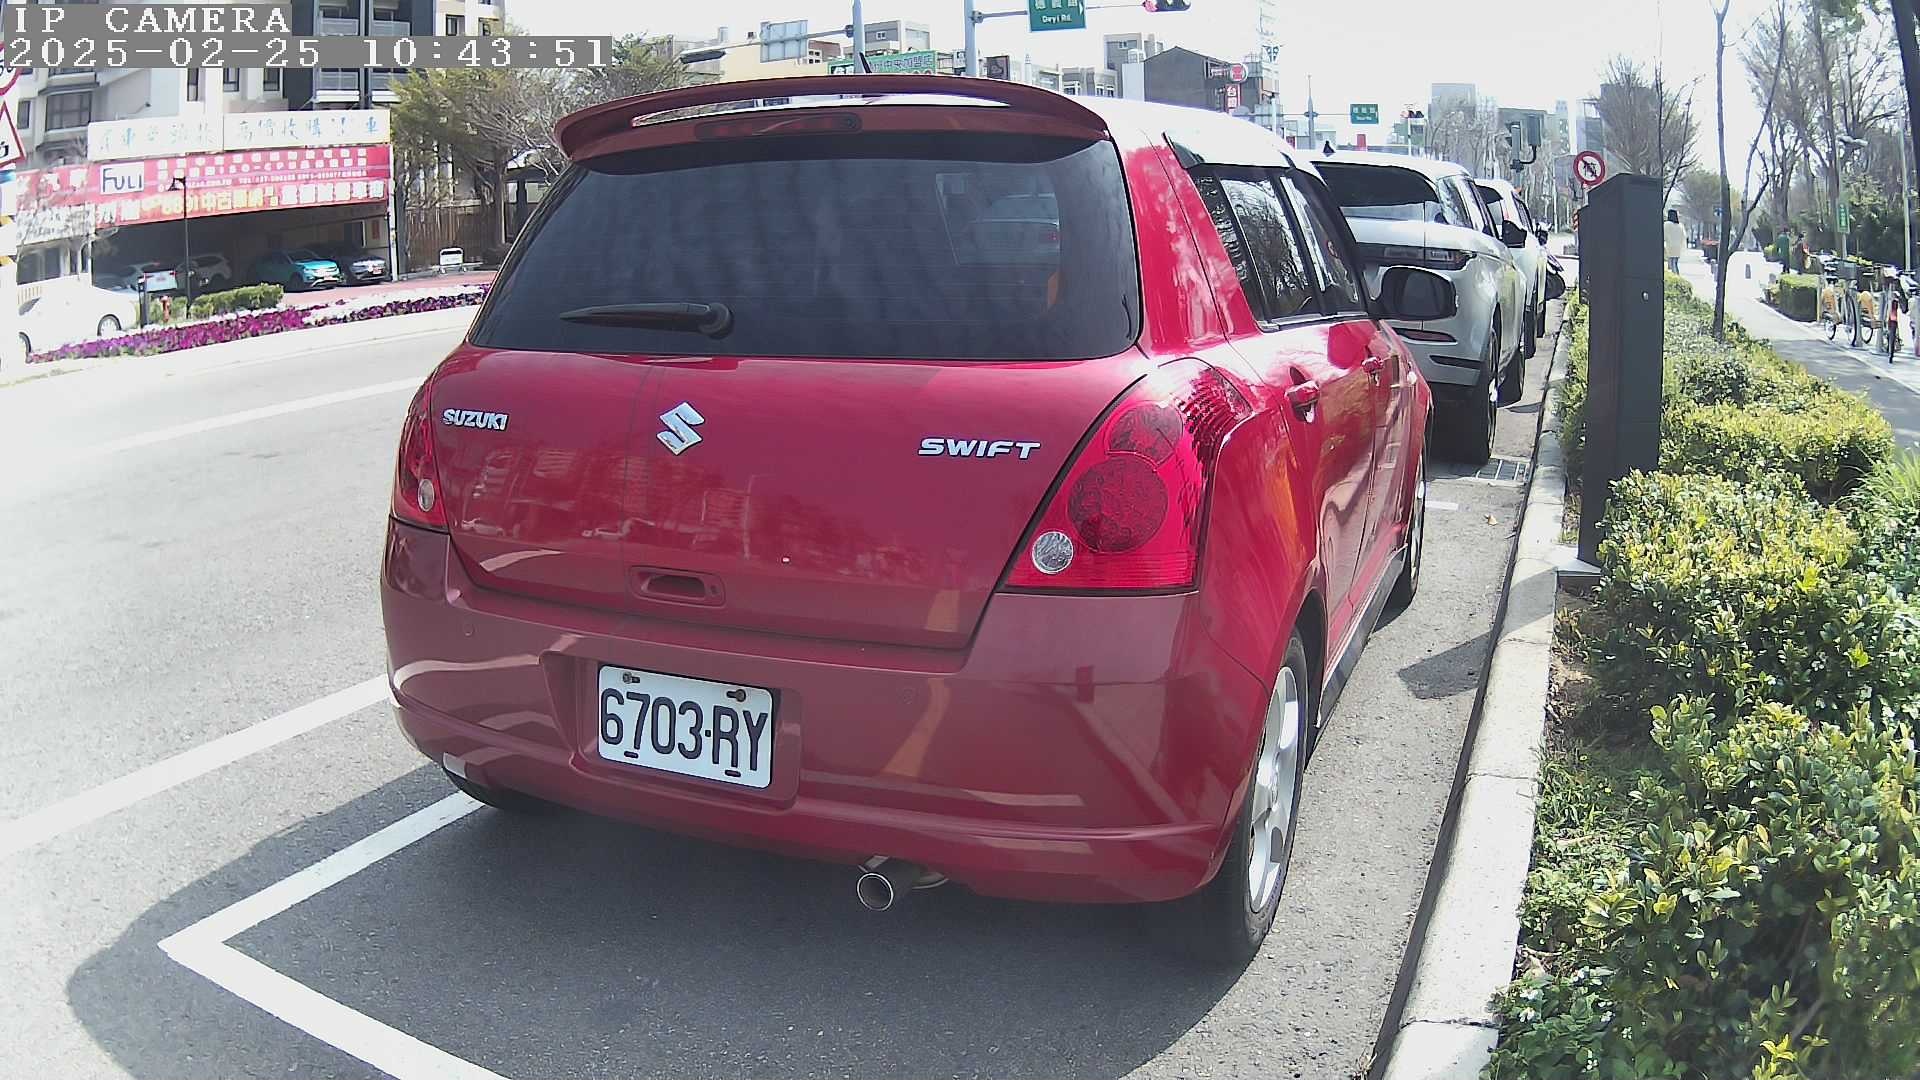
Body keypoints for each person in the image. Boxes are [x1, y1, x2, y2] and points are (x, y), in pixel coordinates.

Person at [1664, 209, 1686, 273]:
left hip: (1670, 246)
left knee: (1671, 264)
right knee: (1675, 263)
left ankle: (1674, 276)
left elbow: (1664, 235)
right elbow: (1683, 236)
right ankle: (1677, 275)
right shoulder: (1680, 225)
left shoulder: (1667, 224)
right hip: (1678, 247)